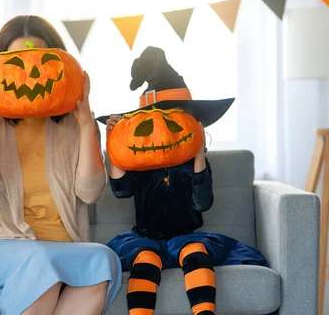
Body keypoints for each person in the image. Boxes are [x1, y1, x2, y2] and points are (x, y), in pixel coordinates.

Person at [0, 15, 122, 315]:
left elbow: (90, 193)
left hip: (64, 249)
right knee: (39, 264)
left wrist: (86, 126)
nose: (30, 73)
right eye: (17, 62)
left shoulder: (76, 124)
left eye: (39, 61)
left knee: (102, 259)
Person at [101, 46, 268, 315]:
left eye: (175, 120)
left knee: (196, 253)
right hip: (144, 238)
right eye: (152, 121)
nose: (162, 130)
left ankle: (204, 313)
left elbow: (202, 202)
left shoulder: (193, 163)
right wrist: (114, 145)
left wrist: (198, 150)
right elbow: (121, 190)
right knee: (145, 260)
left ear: (192, 123)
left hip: (185, 236)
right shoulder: (141, 162)